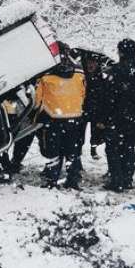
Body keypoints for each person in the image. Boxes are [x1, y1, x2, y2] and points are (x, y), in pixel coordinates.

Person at [102, 39, 135, 192]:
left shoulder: (118, 70)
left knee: (113, 148)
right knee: (129, 147)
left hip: (119, 115)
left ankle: (117, 181)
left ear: (121, 51)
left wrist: (106, 116)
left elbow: (110, 95)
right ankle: (127, 178)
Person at [34, 44, 87, 189]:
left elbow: (37, 99)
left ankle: (52, 179)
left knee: (53, 151)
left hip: (53, 117)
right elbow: (83, 93)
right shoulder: (79, 73)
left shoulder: (45, 74)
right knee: (72, 150)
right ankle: (73, 179)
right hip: (75, 117)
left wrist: (36, 115)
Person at [80, 50, 114, 160]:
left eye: (93, 62)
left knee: (96, 133)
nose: (91, 65)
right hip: (82, 108)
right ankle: (78, 151)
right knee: (80, 132)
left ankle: (93, 149)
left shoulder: (101, 78)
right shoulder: (81, 76)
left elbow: (105, 95)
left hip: (96, 109)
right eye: (89, 62)